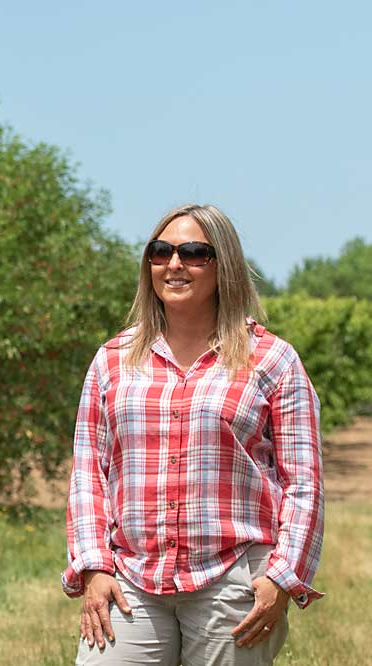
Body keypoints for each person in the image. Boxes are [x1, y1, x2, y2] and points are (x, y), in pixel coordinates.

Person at [62, 204, 323, 665]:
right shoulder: (112, 360)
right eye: (160, 252)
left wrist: (282, 578)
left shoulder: (273, 361)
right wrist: (94, 567)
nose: (174, 264)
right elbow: (89, 474)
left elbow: (304, 483)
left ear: (224, 265)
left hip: (235, 579)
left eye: (194, 253)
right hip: (132, 579)